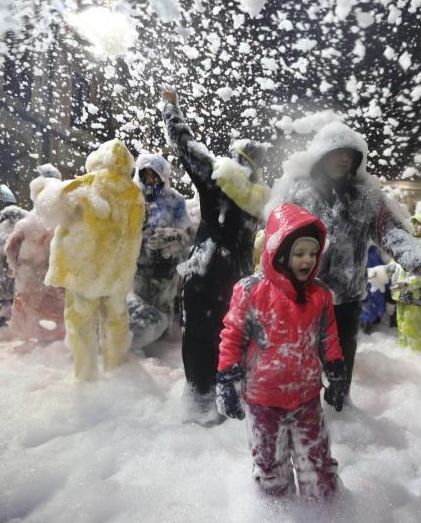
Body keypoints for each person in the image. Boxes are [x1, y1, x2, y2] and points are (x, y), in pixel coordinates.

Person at [268, 121, 421, 395]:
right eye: (338, 152)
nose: (345, 158)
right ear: (322, 155)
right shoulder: (299, 192)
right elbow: (277, 237)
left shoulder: (365, 196)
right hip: (304, 296)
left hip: (347, 298)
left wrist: (414, 257)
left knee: (341, 364)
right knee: (301, 364)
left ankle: (340, 407)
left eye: (350, 154)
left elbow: (389, 229)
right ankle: (303, 410)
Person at [215, 203, 345, 499]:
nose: (308, 260)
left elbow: (328, 336)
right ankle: (277, 513)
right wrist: (226, 380)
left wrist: (336, 372)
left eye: (313, 253)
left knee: (318, 463)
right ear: (280, 253)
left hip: (306, 397)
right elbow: (232, 337)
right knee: (270, 467)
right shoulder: (251, 291)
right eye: (299, 253)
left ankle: (324, 510)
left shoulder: (320, 294)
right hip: (263, 400)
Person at [161, 86, 271, 424]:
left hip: (205, 271)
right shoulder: (259, 199)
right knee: (230, 339)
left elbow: (185, 144)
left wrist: (170, 109)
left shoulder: (218, 178)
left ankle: (199, 400)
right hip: (238, 281)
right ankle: (225, 397)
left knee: (198, 338)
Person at [36, 139, 144, 381]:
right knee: (116, 323)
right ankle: (117, 373)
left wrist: (45, 188)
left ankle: (85, 378)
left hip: (85, 273)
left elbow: (49, 209)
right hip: (118, 274)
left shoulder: (89, 183)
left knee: (80, 324)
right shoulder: (135, 192)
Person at [127, 153, 190, 349]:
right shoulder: (133, 198)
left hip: (166, 263)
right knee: (139, 301)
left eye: (154, 175)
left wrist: (170, 236)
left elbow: (185, 234)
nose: (150, 179)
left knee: (163, 305)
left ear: (163, 176)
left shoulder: (175, 200)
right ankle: (138, 344)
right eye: (145, 175)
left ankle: (161, 350)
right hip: (139, 262)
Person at [4, 164, 65, 341]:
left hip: (29, 273)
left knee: (29, 307)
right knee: (55, 308)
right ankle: (53, 340)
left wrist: (16, 266)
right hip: (55, 273)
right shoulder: (62, 221)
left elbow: (11, 247)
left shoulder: (28, 221)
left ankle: (33, 339)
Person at [385, 212, 421, 354]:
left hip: (416, 294)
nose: (415, 227)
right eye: (414, 224)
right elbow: (396, 261)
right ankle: (405, 353)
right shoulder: (409, 243)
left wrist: (408, 283)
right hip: (400, 291)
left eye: (419, 224)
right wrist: (387, 269)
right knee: (401, 323)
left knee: (411, 326)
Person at [360, 245, 386, 334]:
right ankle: (375, 319)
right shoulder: (377, 255)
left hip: (366, 284)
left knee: (366, 305)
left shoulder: (361, 254)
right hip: (378, 285)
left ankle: (366, 324)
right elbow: (384, 270)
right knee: (377, 303)